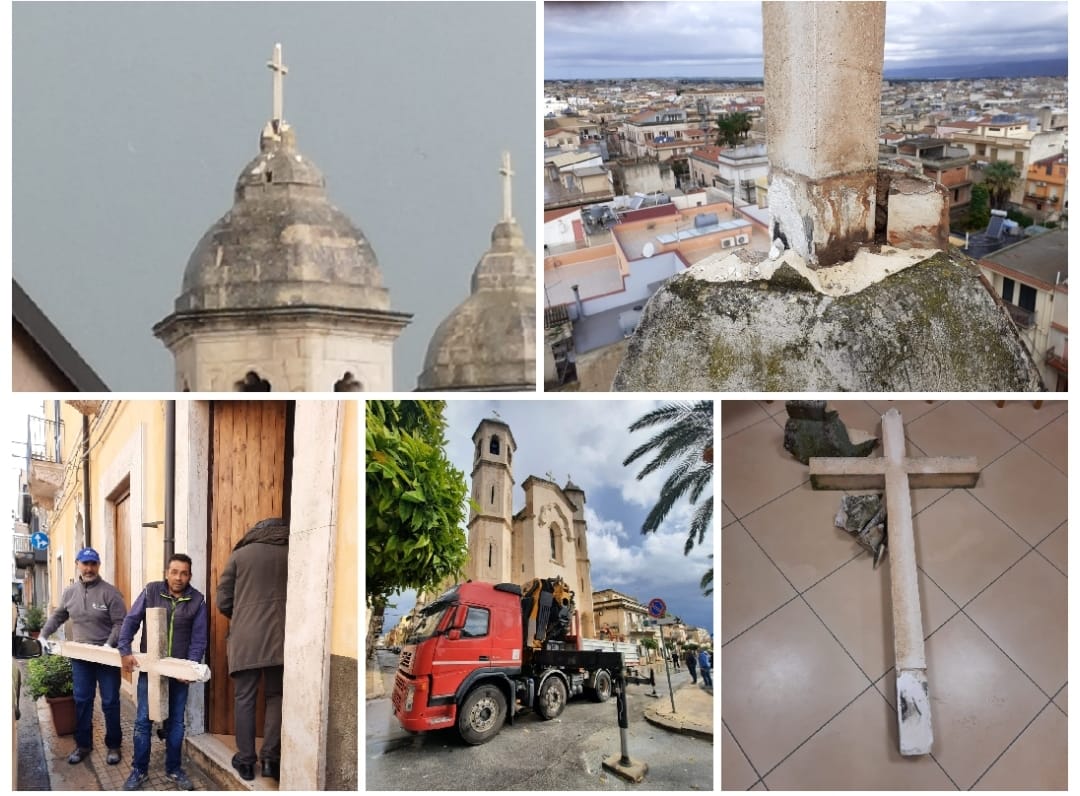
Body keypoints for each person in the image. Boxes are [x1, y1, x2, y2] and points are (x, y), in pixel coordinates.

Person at [118, 554, 207, 791]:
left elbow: (198, 639)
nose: (179, 577)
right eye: (174, 572)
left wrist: (189, 668)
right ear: (166, 572)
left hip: (178, 673)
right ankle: (139, 770)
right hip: (150, 670)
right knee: (142, 721)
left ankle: (174, 769)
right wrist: (124, 649)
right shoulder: (151, 591)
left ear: (190, 575)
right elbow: (131, 620)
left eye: (184, 573)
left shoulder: (197, 600)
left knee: (177, 722)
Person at [216, 517, 289, 782]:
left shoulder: (240, 555)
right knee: (276, 696)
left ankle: (245, 761)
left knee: (244, 699)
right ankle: (270, 759)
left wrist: (245, 616)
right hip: (282, 639)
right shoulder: (293, 551)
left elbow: (223, 600)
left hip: (246, 638)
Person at [39, 547, 127, 765]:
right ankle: (83, 745)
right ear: (77, 564)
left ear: (98, 566)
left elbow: (121, 622)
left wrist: (109, 645)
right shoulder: (70, 592)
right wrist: (43, 635)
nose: (89, 568)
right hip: (81, 658)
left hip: (106, 656)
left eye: (93, 564)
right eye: (85, 563)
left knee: (110, 702)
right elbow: (59, 615)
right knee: (82, 701)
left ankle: (114, 745)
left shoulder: (110, 592)